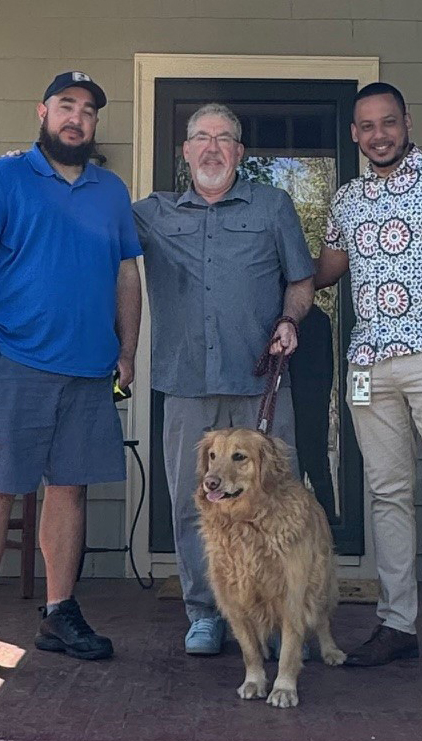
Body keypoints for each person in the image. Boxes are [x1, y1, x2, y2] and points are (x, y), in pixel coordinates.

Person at [133, 103, 315, 655]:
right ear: (185, 152)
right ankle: (206, 611)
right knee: (197, 503)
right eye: (200, 139)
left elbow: (302, 281)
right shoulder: (150, 215)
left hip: (260, 384)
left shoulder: (273, 205)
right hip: (186, 382)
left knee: (278, 498)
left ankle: (287, 618)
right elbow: (84, 224)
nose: (212, 148)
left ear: (240, 152)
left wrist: (289, 319)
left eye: (224, 139)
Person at [315, 82, 422, 685]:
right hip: (367, 363)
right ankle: (397, 627)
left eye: (388, 122)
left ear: (407, 122)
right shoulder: (347, 200)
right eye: (366, 126)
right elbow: (326, 273)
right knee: (385, 494)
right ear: (355, 134)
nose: (378, 134)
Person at [0, 72, 142, 673]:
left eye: (88, 111)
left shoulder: (110, 190)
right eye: (66, 106)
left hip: (88, 369)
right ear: (42, 111)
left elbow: (127, 274)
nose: (77, 118)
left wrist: (127, 349)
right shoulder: (2, 178)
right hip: (13, 364)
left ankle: (59, 613)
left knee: (70, 489)